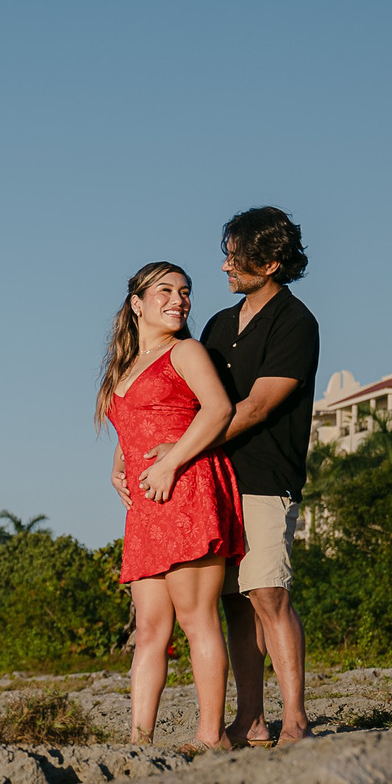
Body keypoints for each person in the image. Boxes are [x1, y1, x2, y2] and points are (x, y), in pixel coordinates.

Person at [100, 261, 245, 749]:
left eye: (185, 291)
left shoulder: (186, 351)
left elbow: (219, 409)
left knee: (196, 617)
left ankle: (211, 737)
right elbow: (134, 422)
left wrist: (170, 463)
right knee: (149, 632)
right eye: (165, 290)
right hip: (145, 506)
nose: (179, 299)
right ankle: (139, 741)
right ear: (137, 304)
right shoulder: (124, 367)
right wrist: (119, 464)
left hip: (186, 488)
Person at [199, 207, 319, 743]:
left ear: (270, 263)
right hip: (215, 481)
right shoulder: (218, 325)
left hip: (267, 477)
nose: (225, 265)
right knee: (232, 603)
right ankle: (251, 718)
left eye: (236, 256)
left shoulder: (296, 322)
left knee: (268, 595)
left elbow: (255, 407)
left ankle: (294, 716)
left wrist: (180, 450)